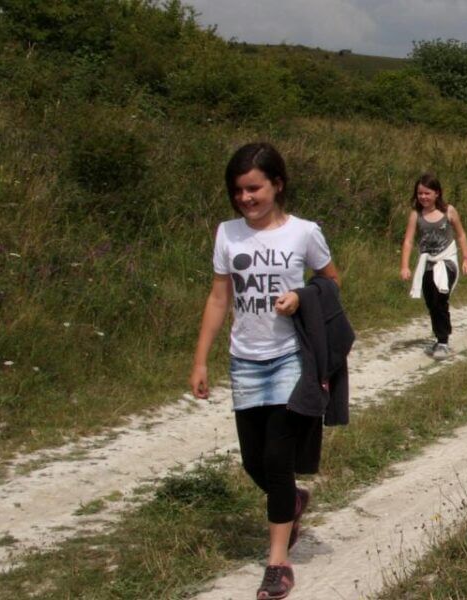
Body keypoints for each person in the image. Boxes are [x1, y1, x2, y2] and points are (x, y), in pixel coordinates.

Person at [188, 142, 338, 600]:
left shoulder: (304, 233)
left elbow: (331, 283)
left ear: (278, 184)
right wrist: (200, 359)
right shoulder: (227, 234)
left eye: (254, 188)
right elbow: (219, 297)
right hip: (244, 359)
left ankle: (278, 563)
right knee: (254, 460)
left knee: (276, 460)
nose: (246, 198)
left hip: (291, 358)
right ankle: (291, 502)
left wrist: (301, 297)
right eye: (238, 191)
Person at [400, 174, 467, 358]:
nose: (423, 197)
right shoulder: (416, 215)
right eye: (419, 194)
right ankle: (439, 336)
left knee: (440, 298)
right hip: (427, 262)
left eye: (427, 193)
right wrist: (405, 266)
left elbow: (461, 235)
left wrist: (466, 258)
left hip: (447, 261)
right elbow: (408, 241)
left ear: (437, 193)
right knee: (431, 301)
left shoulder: (449, 211)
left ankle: (443, 341)